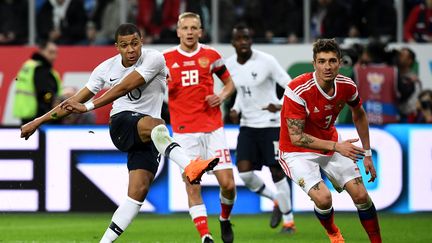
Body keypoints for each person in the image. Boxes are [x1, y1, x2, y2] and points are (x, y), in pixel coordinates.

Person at [20, 23, 219, 243]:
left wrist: (87, 107)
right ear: (117, 47)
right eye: (124, 45)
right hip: (122, 124)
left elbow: (125, 86)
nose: (131, 49)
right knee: (156, 124)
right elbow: (73, 102)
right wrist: (37, 122)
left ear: (141, 41)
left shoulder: (154, 59)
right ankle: (191, 166)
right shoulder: (106, 69)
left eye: (134, 43)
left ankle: (104, 242)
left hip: (151, 137)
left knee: (137, 194)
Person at [278, 38, 382, 243]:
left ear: (340, 62)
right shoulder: (297, 89)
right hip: (296, 152)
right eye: (322, 61)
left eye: (332, 61)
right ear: (314, 63)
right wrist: (337, 147)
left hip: (331, 143)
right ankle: (333, 233)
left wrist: (367, 153)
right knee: (324, 199)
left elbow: (359, 114)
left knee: (361, 195)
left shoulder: (346, 86)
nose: (327, 66)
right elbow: (296, 137)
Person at [163, 12, 236, 243]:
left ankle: (224, 219)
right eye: (185, 28)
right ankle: (205, 235)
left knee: (228, 184)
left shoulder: (211, 55)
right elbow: (152, 88)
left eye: (194, 28)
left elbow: (229, 83)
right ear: (178, 32)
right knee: (192, 185)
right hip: (184, 134)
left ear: (201, 31)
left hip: (213, 128)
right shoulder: (165, 60)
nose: (190, 32)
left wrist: (221, 96)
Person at [225, 24, 295, 234]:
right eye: (239, 39)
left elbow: (289, 85)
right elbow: (240, 92)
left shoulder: (267, 61)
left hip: (271, 124)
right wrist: (235, 109)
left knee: (276, 171)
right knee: (244, 173)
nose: (243, 42)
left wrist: (280, 105)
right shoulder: (229, 65)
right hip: (247, 125)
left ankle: (289, 221)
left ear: (251, 40)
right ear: (233, 43)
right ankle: (276, 200)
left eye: (246, 38)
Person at [13, 40, 62, 125]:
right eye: (50, 52)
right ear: (41, 50)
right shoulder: (40, 69)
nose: (54, 56)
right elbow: (45, 93)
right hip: (39, 115)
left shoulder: (29, 65)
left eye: (55, 53)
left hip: (27, 113)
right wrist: (51, 102)